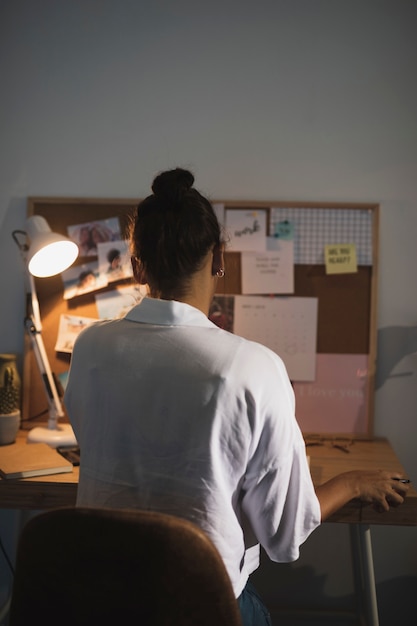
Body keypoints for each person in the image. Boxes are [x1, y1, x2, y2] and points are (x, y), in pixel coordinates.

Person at [64, 168, 409, 626]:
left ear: (135, 264)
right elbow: (284, 534)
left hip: (98, 601)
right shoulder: (253, 367)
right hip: (199, 606)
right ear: (219, 258)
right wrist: (349, 483)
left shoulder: (88, 348)